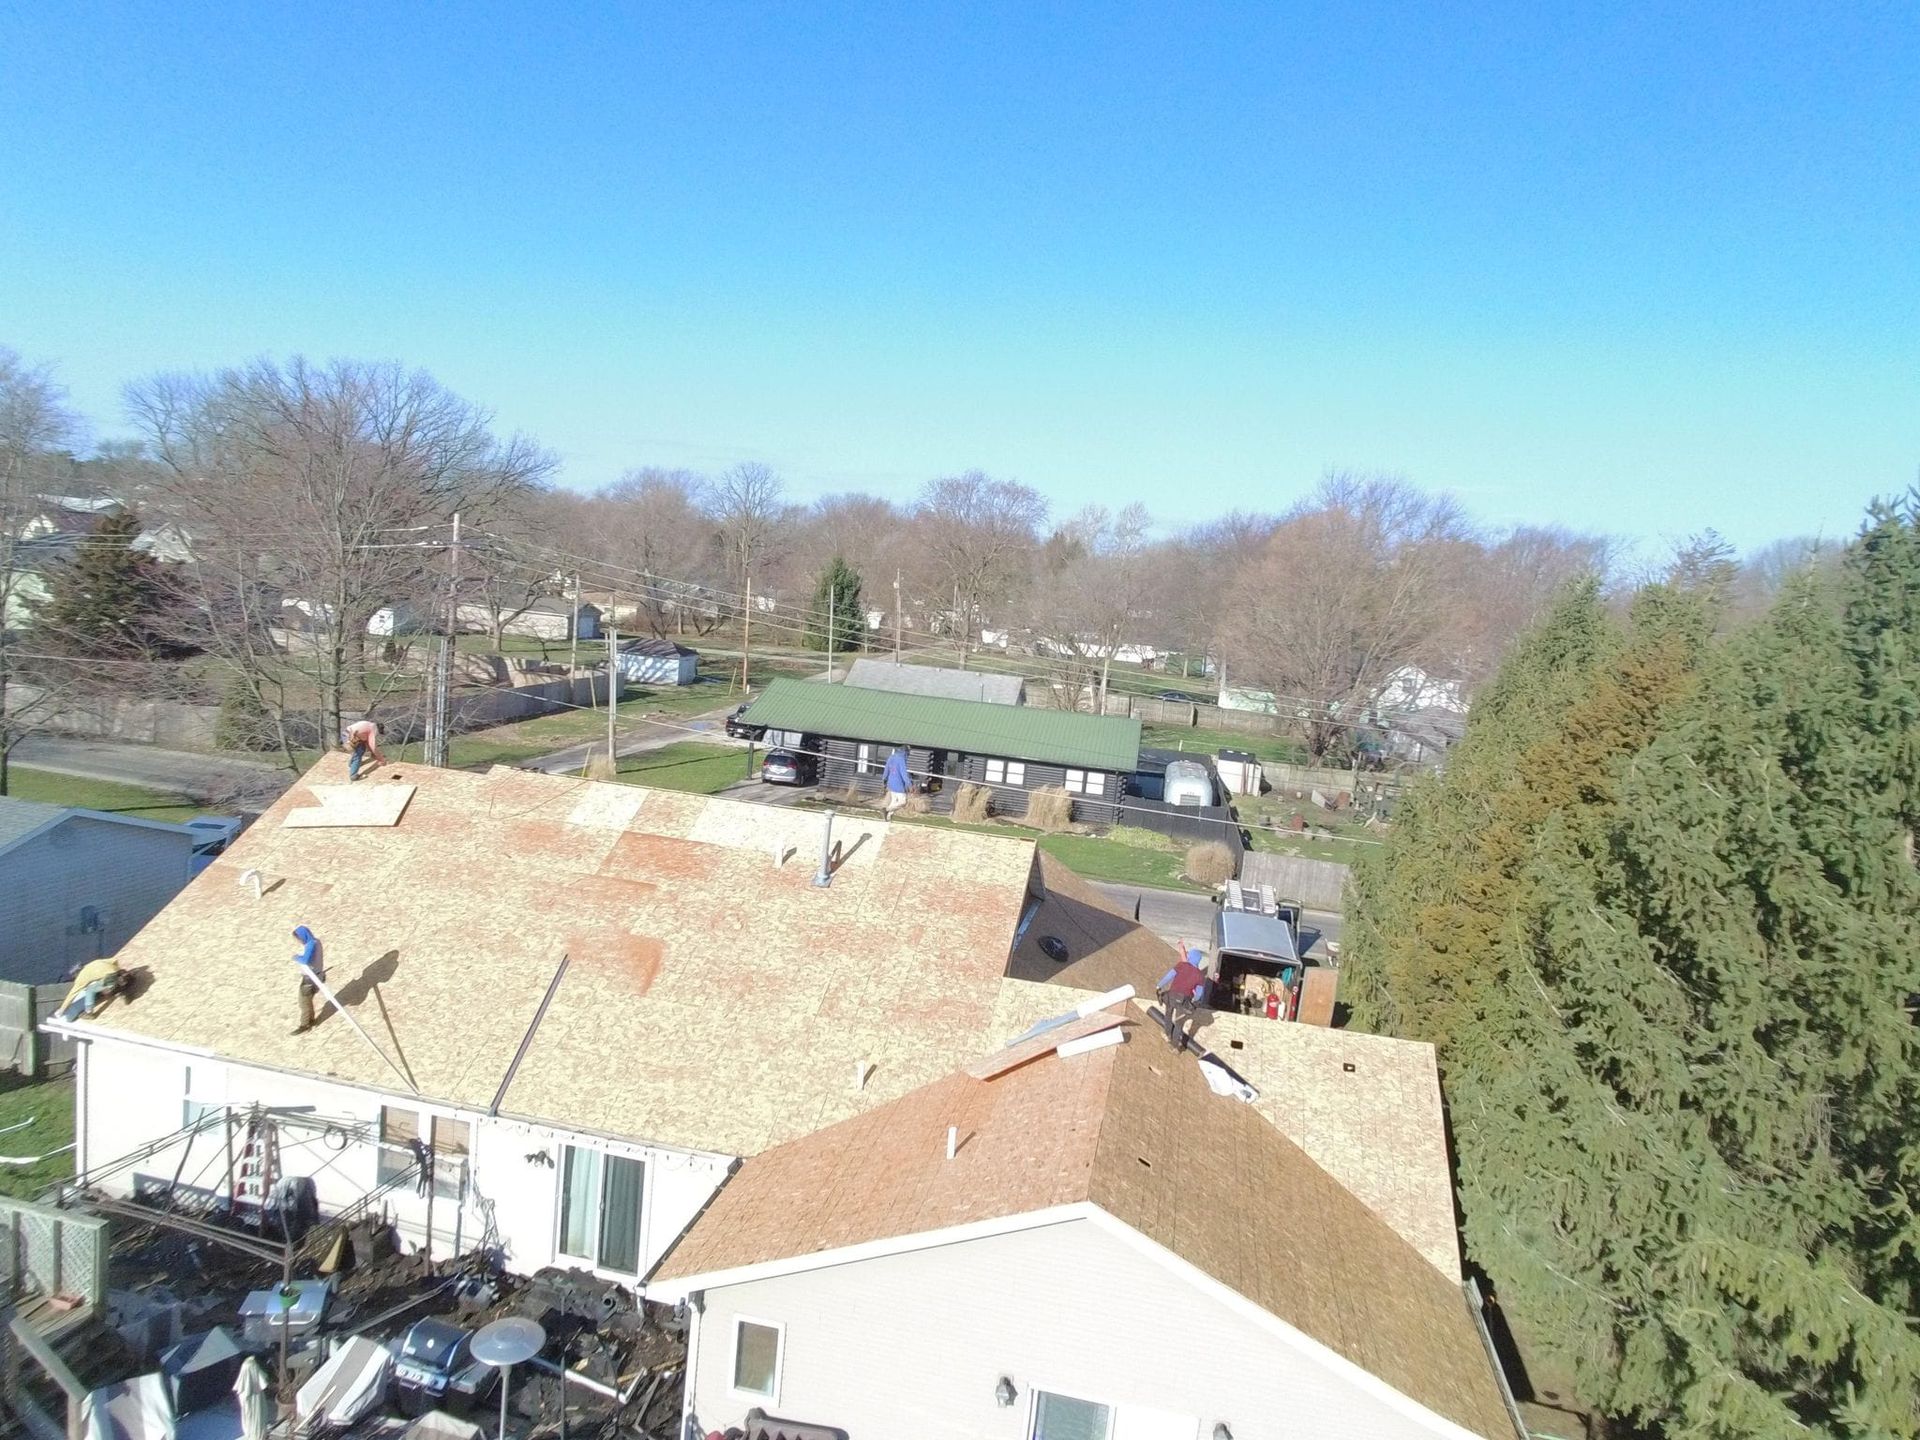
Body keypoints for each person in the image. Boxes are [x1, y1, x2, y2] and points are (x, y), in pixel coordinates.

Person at [1154, 946, 1211, 1052]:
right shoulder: (1200, 976)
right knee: (1179, 1023)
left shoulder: (1181, 966)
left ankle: (1167, 1035)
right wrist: (1194, 999)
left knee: (1168, 1014)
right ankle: (1175, 1047)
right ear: (1198, 961)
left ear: (1190, 957)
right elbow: (1199, 993)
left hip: (1171, 996)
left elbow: (1169, 976)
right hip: (1184, 1001)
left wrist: (1159, 985)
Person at [292, 924, 327, 1035]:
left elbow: (305, 960)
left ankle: (305, 1024)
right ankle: (310, 1019)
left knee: (304, 1002)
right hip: (318, 975)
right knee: (308, 1000)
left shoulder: (311, 945)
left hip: (310, 979)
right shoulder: (316, 941)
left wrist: (296, 957)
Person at [342, 714, 384, 781]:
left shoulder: (369, 725)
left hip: (347, 734)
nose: (377, 735)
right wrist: (381, 759)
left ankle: (351, 764)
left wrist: (373, 754)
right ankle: (353, 775)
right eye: (379, 733)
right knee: (358, 755)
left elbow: (367, 743)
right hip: (349, 737)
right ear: (378, 730)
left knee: (362, 748)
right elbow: (373, 747)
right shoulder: (373, 729)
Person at [881, 745, 911, 819]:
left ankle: (887, 818)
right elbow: (903, 773)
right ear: (905, 752)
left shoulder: (891, 757)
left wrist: (884, 779)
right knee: (902, 802)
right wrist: (909, 784)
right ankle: (886, 810)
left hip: (891, 783)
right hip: (899, 784)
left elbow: (886, 769)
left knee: (894, 802)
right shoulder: (901, 759)